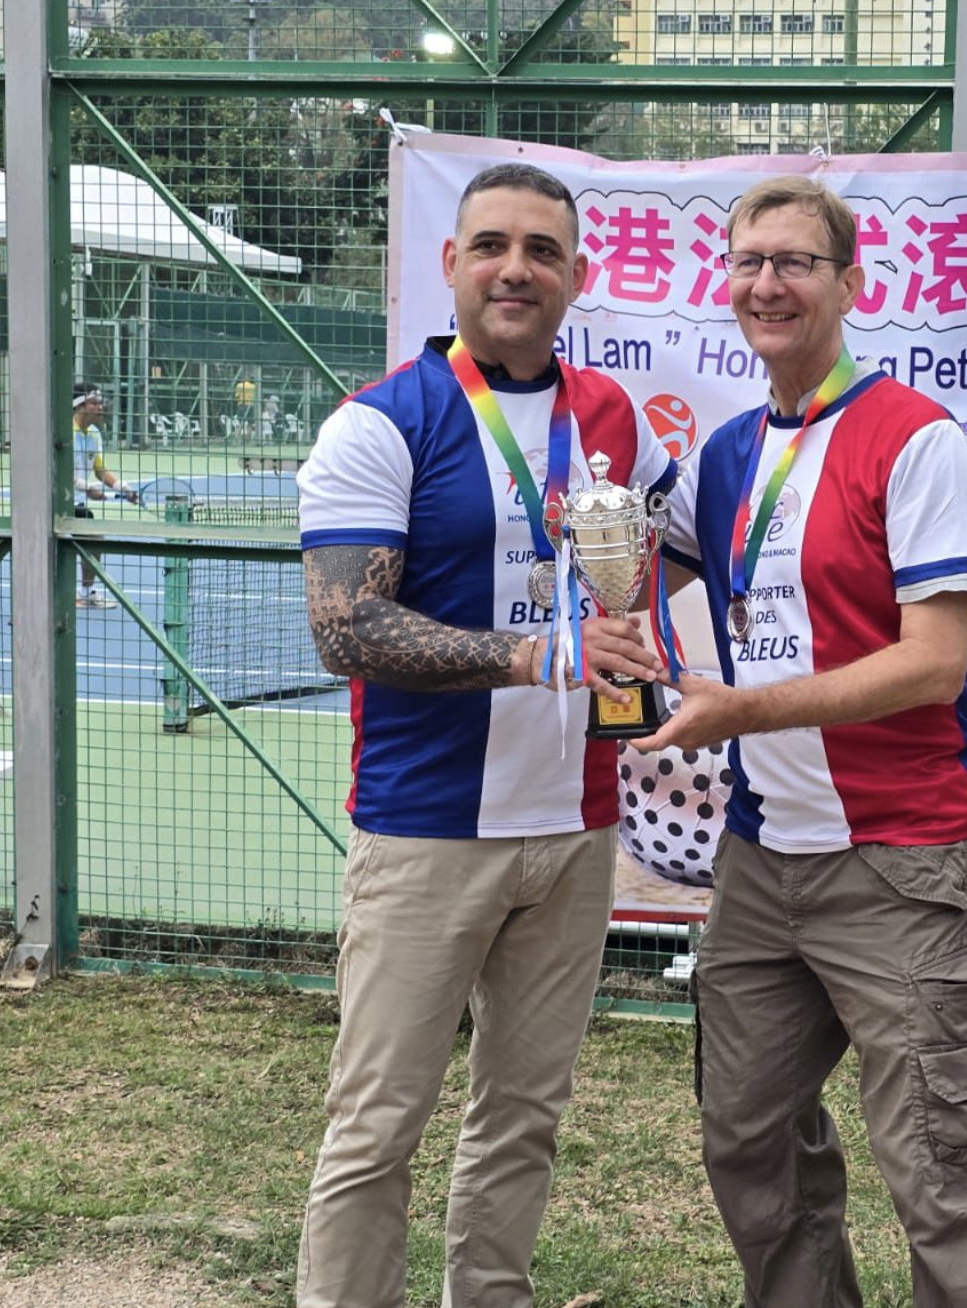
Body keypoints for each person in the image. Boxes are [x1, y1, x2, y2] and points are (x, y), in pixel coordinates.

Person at [640, 175, 967, 1307]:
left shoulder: (912, 437)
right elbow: (634, 579)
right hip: (761, 861)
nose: (768, 284)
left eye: (795, 262)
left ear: (850, 284)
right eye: (749, 262)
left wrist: (739, 711)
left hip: (896, 861)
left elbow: (932, 663)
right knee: (746, 1139)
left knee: (945, 1171)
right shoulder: (725, 454)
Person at [293, 162, 673, 1308]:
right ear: (452, 264)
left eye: (543, 250)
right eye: (494, 246)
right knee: (377, 1126)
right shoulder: (381, 421)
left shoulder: (612, 419)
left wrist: (646, 655)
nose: (518, 269)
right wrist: (537, 657)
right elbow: (346, 628)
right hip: (426, 831)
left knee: (525, 1116)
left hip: (577, 828)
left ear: (576, 277)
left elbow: (667, 561)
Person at [70, 383, 138, 610]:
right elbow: (57, 472)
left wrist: (122, 487)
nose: (100, 407)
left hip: (76, 502)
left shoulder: (94, 434)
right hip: (51, 502)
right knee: (51, 549)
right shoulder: (64, 432)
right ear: (80, 406)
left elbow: (99, 470)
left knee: (94, 541)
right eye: (94, 403)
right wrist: (87, 487)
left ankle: (86, 593)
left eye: (101, 403)